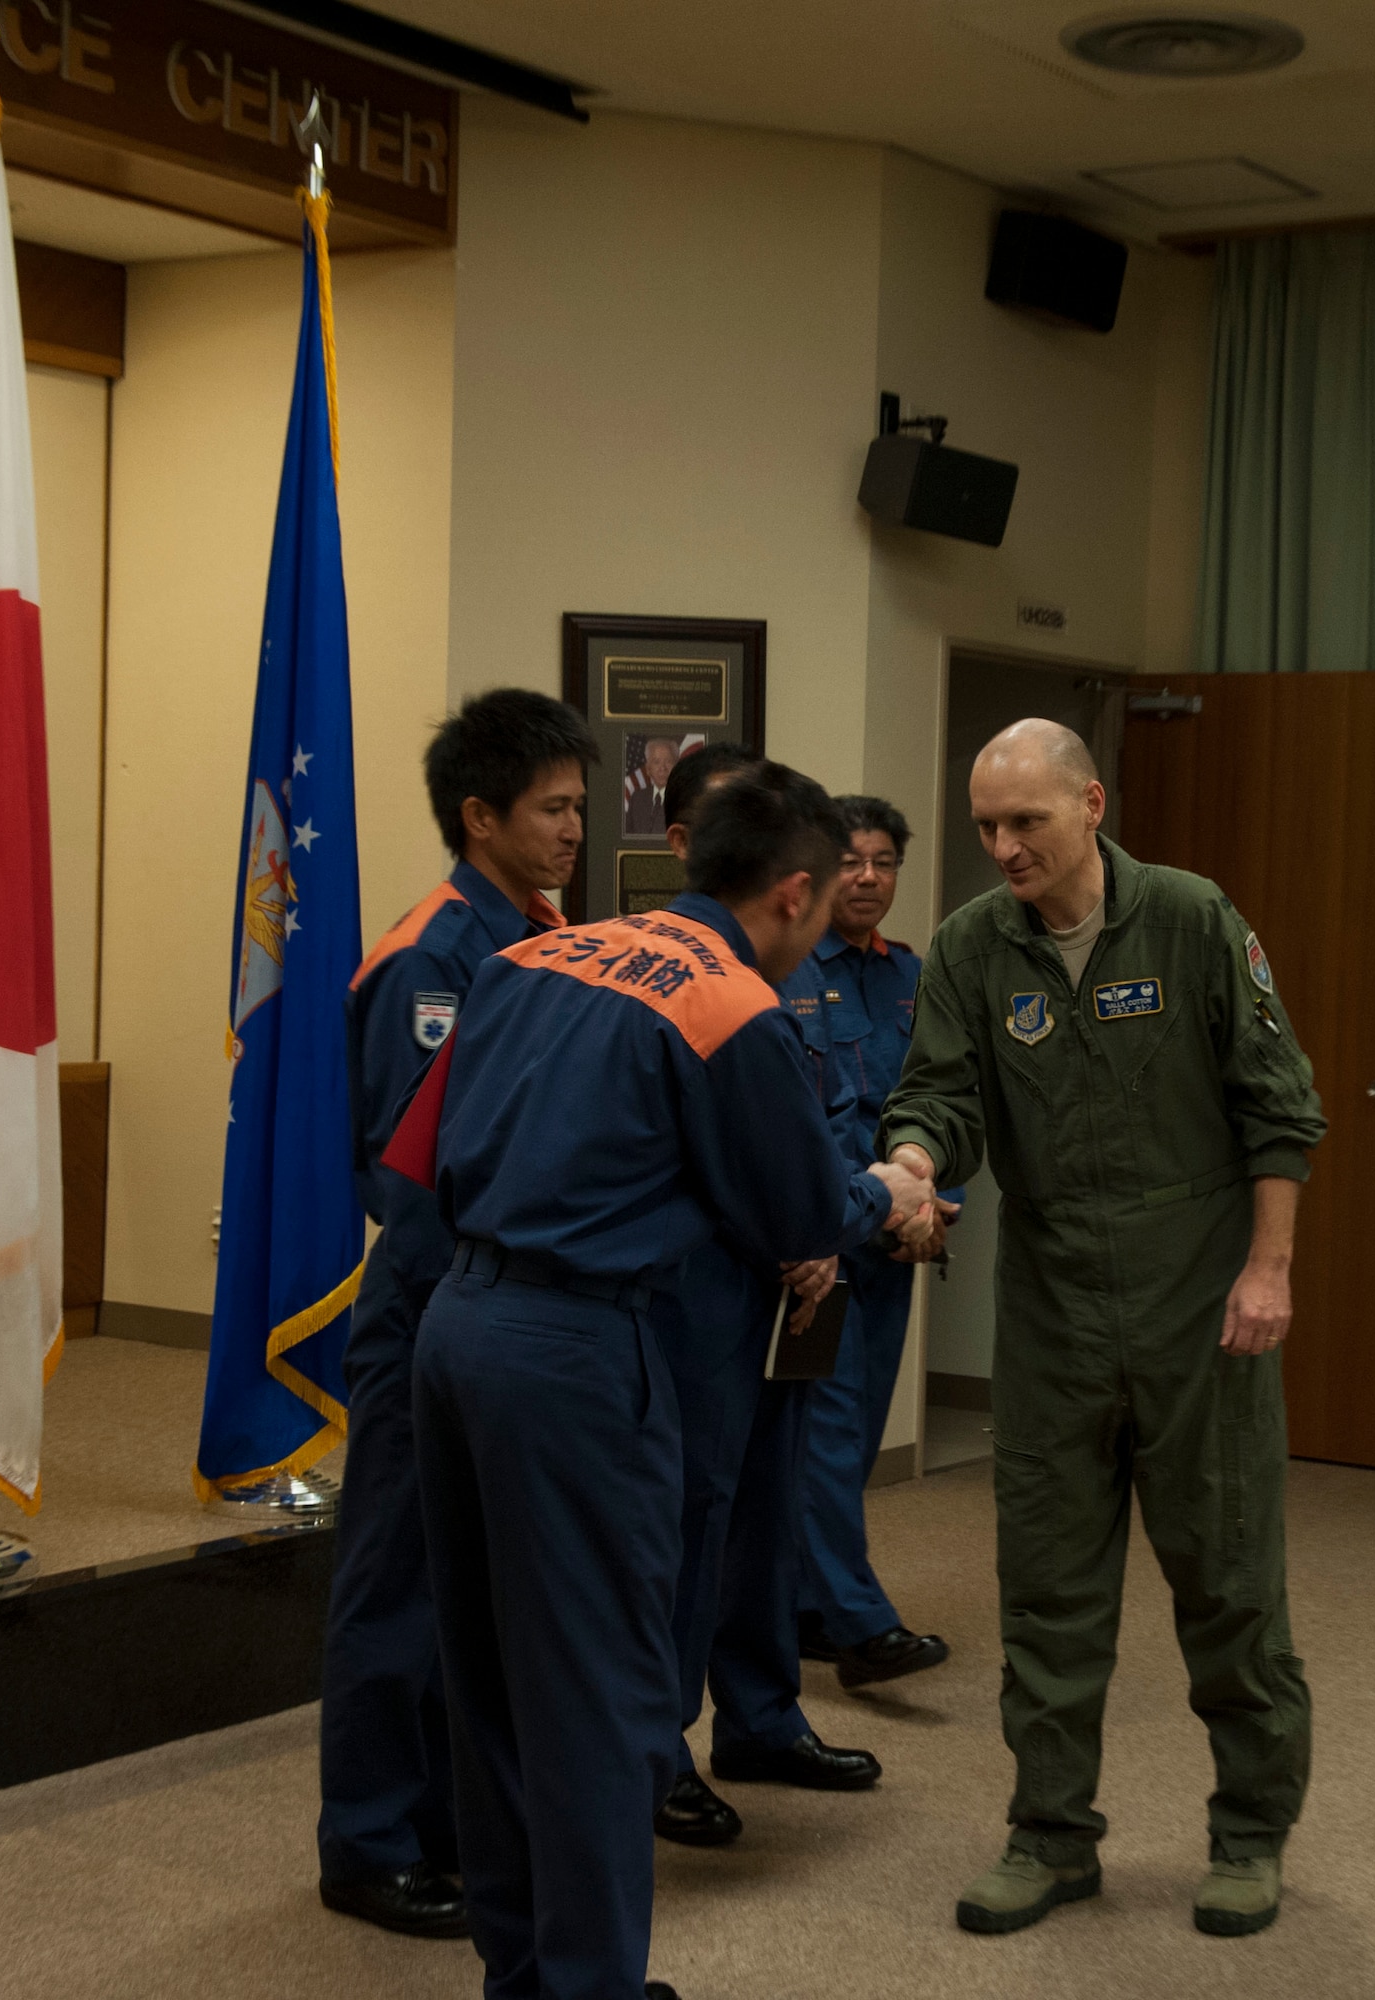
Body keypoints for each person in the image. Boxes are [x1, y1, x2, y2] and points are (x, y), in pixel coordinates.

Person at [397, 765, 935, 2000]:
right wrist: (886, 1195)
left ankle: (522, 1969)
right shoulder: (729, 1004)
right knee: (594, 1689)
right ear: (793, 891)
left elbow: (436, 1142)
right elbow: (798, 1200)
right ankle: (587, 1984)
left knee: (484, 1672)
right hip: (580, 1354)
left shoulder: (538, 954)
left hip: (458, 1328)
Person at [880, 719, 1324, 1941]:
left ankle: (1246, 1833)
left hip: (1198, 1295)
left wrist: (1266, 1269)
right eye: (985, 824)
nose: (1003, 845)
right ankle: (1050, 1834)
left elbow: (1278, 1106)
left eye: (1025, 819)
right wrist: (911, 1161)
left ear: (1091, 802)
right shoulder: (974, 946)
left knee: (1226, 1579)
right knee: (1047, 1589)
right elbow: (941, 1091)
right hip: (1054, 1302)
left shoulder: (1187, 917)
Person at [316, 689, 597, 1939]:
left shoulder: (543, 936)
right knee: (394, 1581)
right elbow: (404, 1170)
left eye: (580, 806)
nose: (573, 830)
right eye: (552, 808)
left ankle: (440, 1817)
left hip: (501, 1312)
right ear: (480, 816)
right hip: (432, 1312)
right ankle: (367, 1841)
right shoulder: (431, 953)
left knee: (467, 1591)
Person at [650, 747, 910, 1853]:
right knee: (682, 1526)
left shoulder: (804, 968)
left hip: (795, 1284)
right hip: (703, 1298)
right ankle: (657, 1748)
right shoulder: (665, 969)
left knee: (765, 1516)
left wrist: (821, 1221)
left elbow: (812, 1119)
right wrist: (828, 1213)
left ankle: (761, 1718)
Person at [783, 797, 957, 1689]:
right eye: (851, 861)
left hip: (895, 1247)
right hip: (820, 1251)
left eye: (884, 862)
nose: (868, 878)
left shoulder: (913, 977)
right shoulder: (784, 970)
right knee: (828, 1431)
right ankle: (858, 1624)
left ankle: (807, 1606)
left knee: (849, 1441)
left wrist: (934, 1203)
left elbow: (941, 1099)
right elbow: (791, 1124)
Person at [623, 736, 680, 837]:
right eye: (656, 762)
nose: (662, 768)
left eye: (668, 761)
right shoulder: (637, 798)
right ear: (648, 769)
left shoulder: (683, 800)